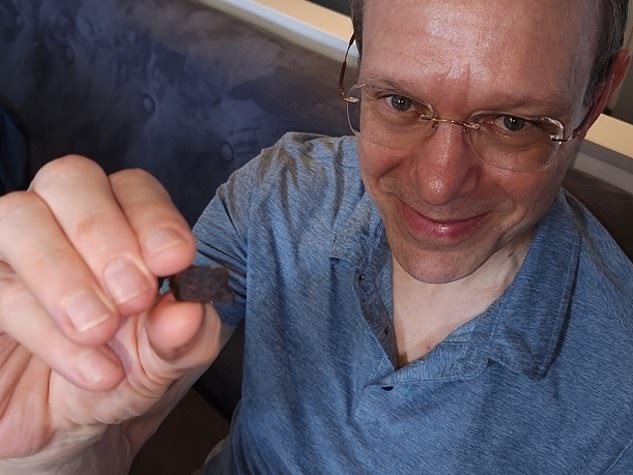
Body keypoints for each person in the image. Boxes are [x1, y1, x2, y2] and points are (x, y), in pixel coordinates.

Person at [0, 0, 631, 473]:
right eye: (400, 103)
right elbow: (200, 289)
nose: (439, 184)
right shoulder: (280, 201)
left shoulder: (619, 398)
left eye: (513, 122)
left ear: (598, 94)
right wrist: (57, 428)